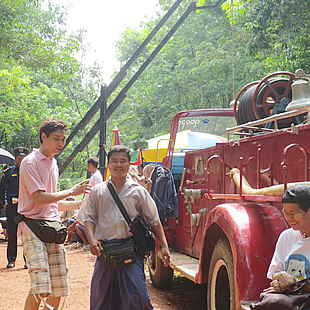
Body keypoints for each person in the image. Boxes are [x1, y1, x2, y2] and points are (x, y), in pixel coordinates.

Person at [17, 117, 92, 310]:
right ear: (44, 137)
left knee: (58, 288)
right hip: (33, 228)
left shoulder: (53, 163)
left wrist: (81, 203)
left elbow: (52, 204)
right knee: (40, 287)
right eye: (56, 138)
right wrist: (71, 192)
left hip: (53, 228)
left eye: (63, 139)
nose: (61, 143)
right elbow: (39, 199)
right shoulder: (30, 162)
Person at [84, 145, 170, 310]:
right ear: (108, 164)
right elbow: (88, 218)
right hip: (105, 253)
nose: (118, 165)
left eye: (123, 161)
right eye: (114, 161)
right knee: (102, 299)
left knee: (138, 299)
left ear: (129, 164)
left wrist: (164, 247)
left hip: (132, 251)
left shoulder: (138, 191)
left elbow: (154, 221)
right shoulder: (97, 191)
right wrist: (92, 239)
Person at [263, 184, 310, 293]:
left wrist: (294, 285)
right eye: (286, 213)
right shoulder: (286, 236)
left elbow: (292, 285)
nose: (289, 218)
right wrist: (280, 277)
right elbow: (274, 273)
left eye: (294, 213)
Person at [0, 147, 29, 268]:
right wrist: (4, 203)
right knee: (12, 235)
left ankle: (28, 260)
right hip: (12, 207)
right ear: (15, 158)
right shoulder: (9, 172)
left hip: (27, 208)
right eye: (18, 157)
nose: (20, 159)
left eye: (23, 157)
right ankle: (11, 260)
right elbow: (2, 190)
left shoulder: (30, 172)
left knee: (27, 234)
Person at [73, 157, 103, 245]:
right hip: (88, 201)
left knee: (84, 220)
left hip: (91, 201)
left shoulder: (96, 175)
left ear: (90, 165)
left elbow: (96, 190)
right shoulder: (95, 175)